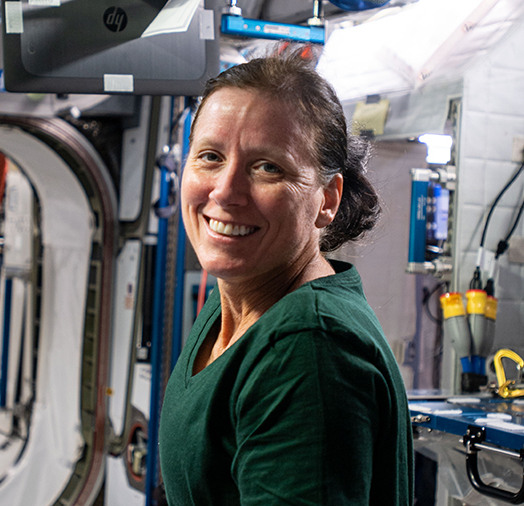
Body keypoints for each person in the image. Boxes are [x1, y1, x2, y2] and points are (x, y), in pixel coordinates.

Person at [158, 47, 413, 505]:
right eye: (210, 156)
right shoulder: (238, 294)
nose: (225, 191)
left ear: (327, 199)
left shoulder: (305, 347)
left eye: (267, 167)